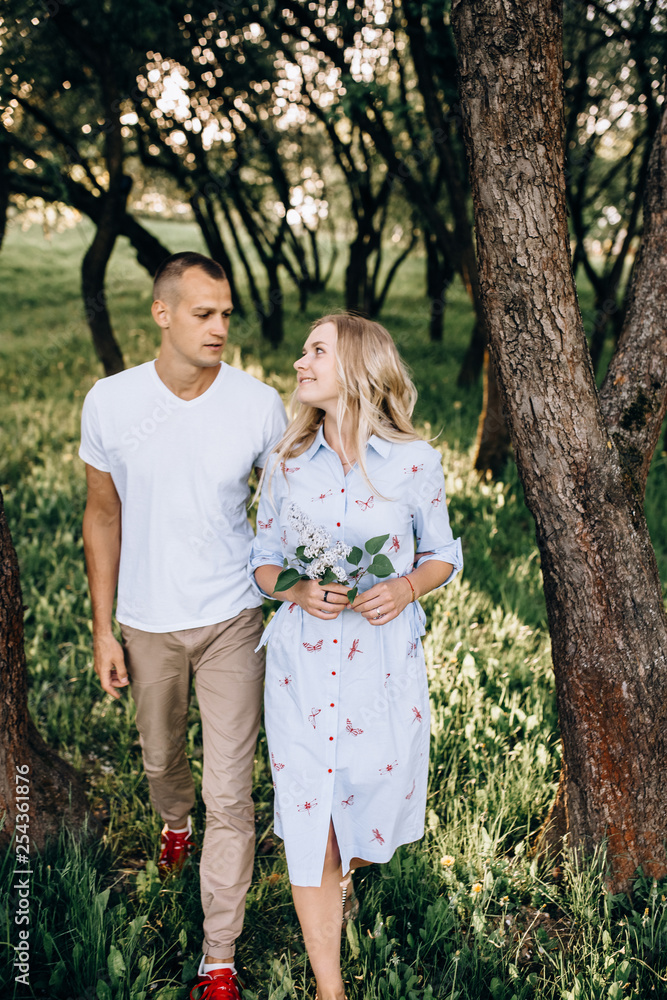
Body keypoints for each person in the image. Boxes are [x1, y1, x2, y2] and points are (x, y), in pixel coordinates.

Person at [79, 252, 287, 1000]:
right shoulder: (109, 401)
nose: (219, 327)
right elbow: (102, 516)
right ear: (162, 314)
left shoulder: (259, 404)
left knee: (231, 795)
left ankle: (219, 959)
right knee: (164, 761)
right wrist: (105, 630)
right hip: (147, 620)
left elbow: (291, 502)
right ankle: (173, 824)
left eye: (226, 313)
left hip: (234, 617)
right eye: (204, 313)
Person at [249, 313, 463, 1000]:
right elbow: (262, 564)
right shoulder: (284, 465)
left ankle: (344, 871)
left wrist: (402, 586)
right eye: (303, 349)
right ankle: (329, 988)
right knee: (311, 816)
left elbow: (442, 555)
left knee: (368, 788)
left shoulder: (414, 462)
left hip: (380, 665)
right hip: (301, 666)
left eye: (317, 351)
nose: (300, 362)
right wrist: (299, 588)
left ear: (359, 369)